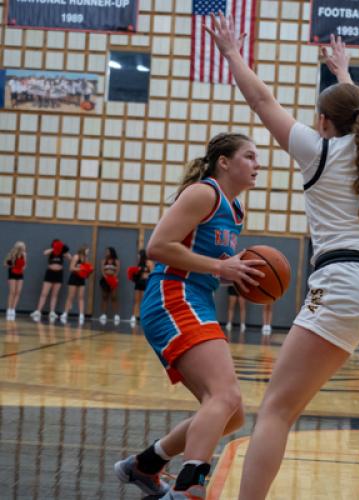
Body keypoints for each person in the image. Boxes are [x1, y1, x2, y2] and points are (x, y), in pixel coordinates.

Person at [206, 17, 359, 500]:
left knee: (276, 408)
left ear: (322, 122)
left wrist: (232, 51)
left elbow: (261, 101)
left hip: (346, 282)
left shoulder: (316, 151)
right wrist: (343, 71)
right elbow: (355, 110)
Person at [113, 132, 263, 499]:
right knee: (224, 397)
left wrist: (234, 272)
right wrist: (219, 266)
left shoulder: (236, 209)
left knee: (232, 412)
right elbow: (157, 247)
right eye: (250, 156)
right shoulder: (204, 194)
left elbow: (209, 262)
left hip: (197, 298)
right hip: (172, 295)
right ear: (224, 162)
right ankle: (188, 487)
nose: (258, 164)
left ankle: (145, 465)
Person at [31, 240, 71, 322]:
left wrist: (63, 249)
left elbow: (70, 258)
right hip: (50, 273)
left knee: (54, 294)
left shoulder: (62, 252)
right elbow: (45, 253)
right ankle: (38, 311)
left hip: (59, 274)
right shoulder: (51, 251)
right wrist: (54, 248)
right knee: (44, 293)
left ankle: (52, 312)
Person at [60, 245, 93, 325]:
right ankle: (65, 313)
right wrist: (80, 269)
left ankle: (81, 314)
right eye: (87, 250)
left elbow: (86, 269)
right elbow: (71, 268)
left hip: (81, 279)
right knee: (70, 296)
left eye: (88, 251)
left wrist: (88, 271)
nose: (88, 252)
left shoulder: (86, 259)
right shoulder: (76, 256)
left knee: (81, 297)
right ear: (83, 249)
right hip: (74, 278)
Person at [128, 249, 154, 324]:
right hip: (138, 282)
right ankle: (135, 316)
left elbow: (152, 273)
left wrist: (147, 276)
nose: (138, 256)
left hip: (145, 283)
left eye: (139, 254)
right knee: (136, 300)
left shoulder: (149, 262)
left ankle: (144, 316)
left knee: (144, 300)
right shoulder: (139, 263)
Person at [4, 241, 27, 321]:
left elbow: (24, 266)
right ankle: (9, 309)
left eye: (24, 247)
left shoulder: (24, 255)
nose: (23, 248)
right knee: (12, 291)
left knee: (18, 292)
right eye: (22, 247)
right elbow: (5, 264)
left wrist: (21, 265)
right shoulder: (11, 254)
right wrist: (12, 264)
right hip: (12, 273)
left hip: (20, 274)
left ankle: (13, 309)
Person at [99, 247, 120, 324]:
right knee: (104, 297)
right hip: (105, 280)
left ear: (111, 252)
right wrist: (106, 277)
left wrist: (113, 278)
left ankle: (116, 315)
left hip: (113, 280)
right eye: (106, 251)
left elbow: (117, 270)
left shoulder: (116, 261)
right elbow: (102, 270)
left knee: (114, 297)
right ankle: (103, 314)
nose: (106, 252)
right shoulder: (104, 260)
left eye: (107, 251)